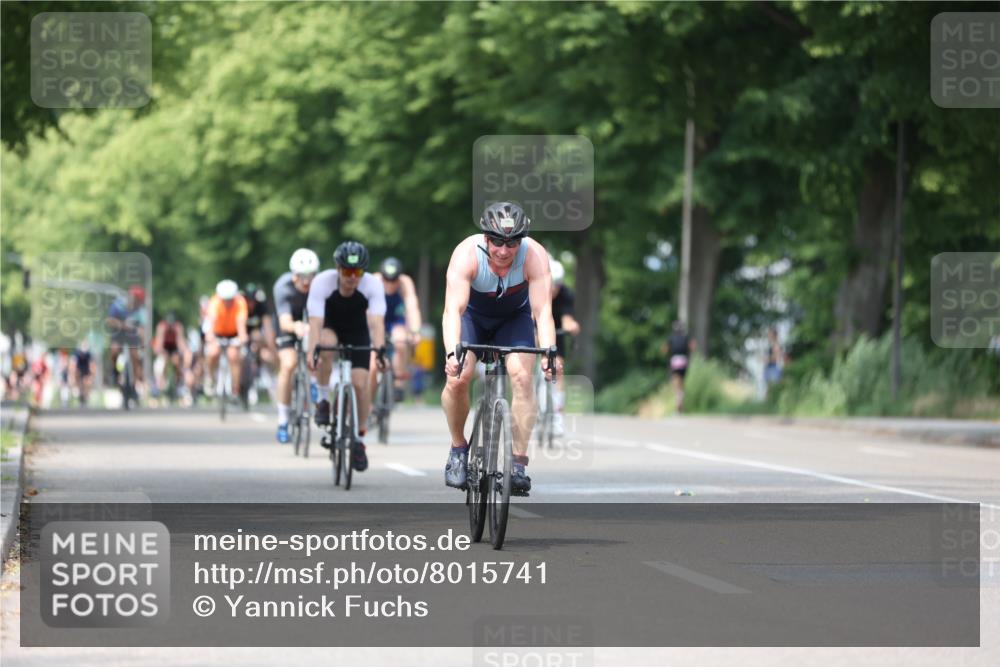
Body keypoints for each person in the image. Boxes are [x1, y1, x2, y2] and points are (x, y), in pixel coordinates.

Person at [441, 201, 560, 496]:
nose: (504, 251)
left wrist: (550, 352)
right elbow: (453, 310)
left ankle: (518, 464)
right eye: (497, 241)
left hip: (513, 320)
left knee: (522, 377)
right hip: (472, 318)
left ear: (521, 241)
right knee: (458, 378)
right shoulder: (466, 254)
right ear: (486, 238)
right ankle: (458, 448)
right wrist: (451, 354)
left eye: (512, 243)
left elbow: (543, 311)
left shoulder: (535, 255)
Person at [307, 241, 386, 473]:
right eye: (347, 272)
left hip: (357, 331)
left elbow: (377, 323)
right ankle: (323, 399)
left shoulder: (373, 285)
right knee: (325, 346)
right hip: (331, 327)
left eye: (357, 272)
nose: (352, 278)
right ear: (338, 268)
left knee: (361, 384)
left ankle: (359, 439)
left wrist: (380, 351)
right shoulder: (322, 282)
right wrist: (312, 351)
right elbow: (315, 323)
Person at [273, 248, 320, 443]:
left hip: (312, 324)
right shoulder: (283, 287)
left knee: (322, 349)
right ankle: (283, 420)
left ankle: (315, 382)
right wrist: (296, 327)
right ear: (294, 275)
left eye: (311, 276)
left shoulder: (321, 287)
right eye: (302, 277)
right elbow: (284, 322)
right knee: (289, 364)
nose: (306, 282)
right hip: (290, 325)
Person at [370, 257, 423, 404]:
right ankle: (368, 402)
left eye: (393, 280)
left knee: (400, 340)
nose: (390, 284)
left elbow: (412, 307)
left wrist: (415, 331)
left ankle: (398, 382)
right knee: (372, 366)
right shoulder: (374, 281)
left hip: (395, 321)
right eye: (386, 280)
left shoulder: (405, 282)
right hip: (377, 319)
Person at [547, 257, 581, 436]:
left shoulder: (566, 294)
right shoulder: (535, 289)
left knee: (558, 368)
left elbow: (567, 318)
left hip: (555, 330)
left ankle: (558, 415)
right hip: (536, 326)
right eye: (551, 283)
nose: (554, 288)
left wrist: (571, 326)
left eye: (557, 284)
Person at [204, 280, 249, 399]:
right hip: (218, 333)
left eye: (230, 299)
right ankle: (210, 378)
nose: (228, 302)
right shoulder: (215, 302)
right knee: (213, 353)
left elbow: (241, 323)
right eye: (225, 300)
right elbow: (211, 321)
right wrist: (210, 336)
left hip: (233, 333)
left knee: (233, 356)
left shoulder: (240, 302)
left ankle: (235, 387)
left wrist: (242, 336)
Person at [107, 285, 147, 395]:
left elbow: (142, 330)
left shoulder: (140, 311)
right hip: (119, 331)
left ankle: (135, 383)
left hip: (132, 334)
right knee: (114, 350)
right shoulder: (118, 304)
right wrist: (122, 325)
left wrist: (143, 345)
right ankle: (115, 372)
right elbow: (110, 320)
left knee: (135, 355)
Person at [152, 311, 189, 401]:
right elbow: (158, 345)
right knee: (161, 364)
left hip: (174, 350)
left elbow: (181, 344)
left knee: (178, 362)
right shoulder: (161, 327)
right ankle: (158, 386)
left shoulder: (178, 327)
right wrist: (163, 354)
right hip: (164, 350)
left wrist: (182, 353)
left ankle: (179, 384)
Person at [664, 320, 696, 413]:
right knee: (681, 382)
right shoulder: (686, 337)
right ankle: (680, 401)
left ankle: (678, 402)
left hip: (674, 360)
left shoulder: (671, 338)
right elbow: (693, 347)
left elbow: (665, 349)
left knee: (675, 382)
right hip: (683, 360)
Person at [69, 341, 94, 406]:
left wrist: (91, 376)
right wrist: (73, 376)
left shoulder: (89, 354)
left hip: (86, 368)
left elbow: (91, 365)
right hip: (78, 368)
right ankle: (77, 390)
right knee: (76, 378)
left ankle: (86, 395)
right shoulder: (76, 354)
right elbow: (73, 365)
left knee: (87, 382)